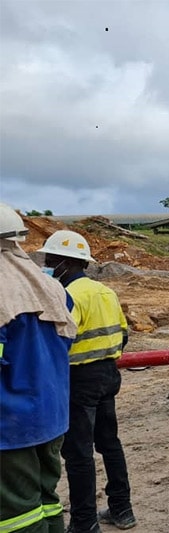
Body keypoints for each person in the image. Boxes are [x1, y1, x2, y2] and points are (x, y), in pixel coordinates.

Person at [39, 230, 136, 533]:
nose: (47, 265)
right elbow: (123, 334)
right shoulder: (106, 291)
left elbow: (58, 340)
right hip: (108, 375)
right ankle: (122, 509)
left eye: (50, 260)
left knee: (78, 453)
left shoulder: (69, 296)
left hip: (79, 379)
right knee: (110, 444)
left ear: (66, 263)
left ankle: (84, 522)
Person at [0, 204, 76, 533]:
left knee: (17, 512)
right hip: (53, 416)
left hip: (11, 426)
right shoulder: (52, 289)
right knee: (47, 499)